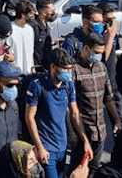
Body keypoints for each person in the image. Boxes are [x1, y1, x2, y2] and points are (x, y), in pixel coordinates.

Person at [25, 48, 90, 178]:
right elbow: (29, 117)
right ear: (53, 66)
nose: (68, 73)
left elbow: (74, 113)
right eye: (65, 69)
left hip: (62, 145)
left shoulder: (68, 85)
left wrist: (85, 140)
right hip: (46, 148)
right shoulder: (38, 86)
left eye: (70, 69)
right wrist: (39, 147)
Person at [69, 33, 121, 174]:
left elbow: (108, 98)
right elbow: (71, 109)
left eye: (101, 53)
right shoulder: (74, 70)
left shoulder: (101, 68)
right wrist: (78, 135)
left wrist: (116, 120)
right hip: (82, 133)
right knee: (78, 170)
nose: (98, 56)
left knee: (95, 170)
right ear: (86, 48)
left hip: (100, 131)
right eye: (96, 52)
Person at [8, 1, 36, 74]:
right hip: (14, 73)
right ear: (23, 15)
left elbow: (31, 51)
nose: (32, 17)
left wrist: (33, 69)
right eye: (30, 14)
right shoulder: (10, 29)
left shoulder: (30, 29)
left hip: (28, 73)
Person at [29, 0, 55, 68]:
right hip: (37, 68)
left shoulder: (45, 26)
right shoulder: (34, 27)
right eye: (52, 11)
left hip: (46, 66)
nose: (54, 13)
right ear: (44, 13)